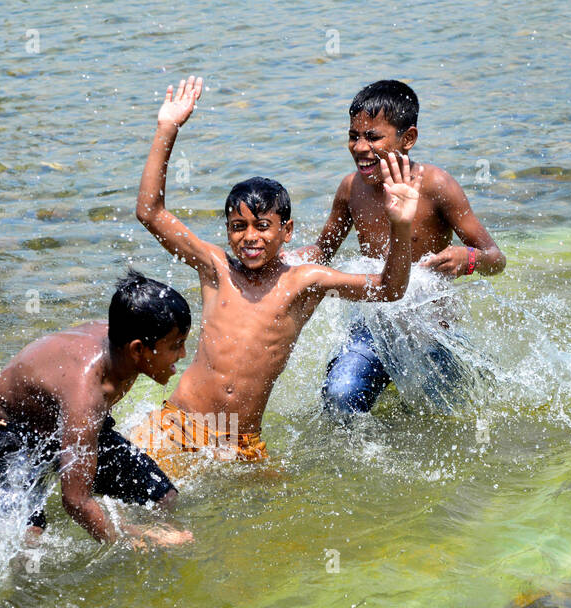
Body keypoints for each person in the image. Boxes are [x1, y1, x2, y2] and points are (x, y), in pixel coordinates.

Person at [130, 75, 420, 476]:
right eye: (238, 226)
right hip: (179, 424)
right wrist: (167, 127)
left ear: (287, 231)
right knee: (144, 503)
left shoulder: (304, 281)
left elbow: (390, 289)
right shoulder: (215, 269)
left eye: (263, 226)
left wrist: (400, 225)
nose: (250, 237)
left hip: (242, 443)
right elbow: (150, 213)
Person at [296, 79, 506, 416]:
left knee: (449, 417)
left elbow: (495, 259)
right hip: (373, 326)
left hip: (431, 330)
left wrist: (468, 258)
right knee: (339, 397)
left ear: (407, 139)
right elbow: (323, 251)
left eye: (373, 137)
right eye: (354, 135)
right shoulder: (351, 190)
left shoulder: (436, 185)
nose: (360, 147)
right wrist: (281, 258)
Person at [0, 270, 193, 546]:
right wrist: (124, 543)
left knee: (164, 498)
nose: (183, 355)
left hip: (65, 421)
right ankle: (128, 532)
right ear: (138, 350)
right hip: (12, 433)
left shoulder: (125, 339)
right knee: (24, 540)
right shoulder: (87, 393)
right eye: (176, 346)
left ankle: (126, 523)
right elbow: (75, 501)